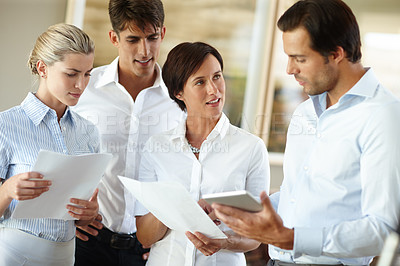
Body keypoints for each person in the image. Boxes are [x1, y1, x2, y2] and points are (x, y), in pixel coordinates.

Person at [212, 0, 400, 265]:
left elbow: (383, 229)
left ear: (336, 53)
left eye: (299, 59)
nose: (290, 70)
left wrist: (292, 239)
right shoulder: (305, 113)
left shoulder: (383, 116)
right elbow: (297, 196)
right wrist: (235, 209)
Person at [134, 42, 271, 266]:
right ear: (179, 93)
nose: (213, 90)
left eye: (217, 77)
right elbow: (144, 236)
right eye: (200, 82)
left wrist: (223, 242)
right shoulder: (156, 147)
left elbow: (257, 235)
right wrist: (174, 207)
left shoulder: (251, 148)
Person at [72, 0, 184, 265]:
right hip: (88, 244)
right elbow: (59, 153)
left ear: (163, 34)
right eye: (133, 39)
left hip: (149, 250)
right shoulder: (85, 90)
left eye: (152, 38)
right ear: (114, 38)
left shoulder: (179, 98)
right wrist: (64, 215)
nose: (145, 50)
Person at [0, 23, 99, 265]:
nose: (81, 85)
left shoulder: (89, 132)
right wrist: (7, 190)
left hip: (66, 256)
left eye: (87, 74)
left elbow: (83, 214)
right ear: (42, 68)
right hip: (14, 254)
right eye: (71, 74)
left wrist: (89, 214)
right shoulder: (5, 125)